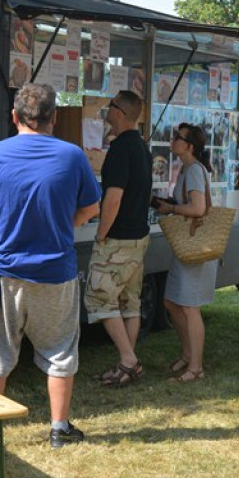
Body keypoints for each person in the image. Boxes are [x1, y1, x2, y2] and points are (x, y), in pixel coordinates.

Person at [0, 83, 101, 449]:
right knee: (61, 349)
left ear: (14, 116)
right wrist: (65, 226)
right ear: (54, 117)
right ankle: (59, 428)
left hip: (2, 271)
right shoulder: (72, 157)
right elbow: (91, 207)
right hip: (55, 272)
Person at [86, 90, 153, 388]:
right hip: (138, 237)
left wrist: (101, 233)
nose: (107, 109)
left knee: (98, 298)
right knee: (129, 302)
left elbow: (113, 199)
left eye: (111, 105)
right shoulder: (142, 148)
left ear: (120, 112)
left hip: (118, 240)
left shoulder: (120, 149)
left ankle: (128, 360)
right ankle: (128, 363)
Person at [151, 123, 217, 383]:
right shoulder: (188, 169)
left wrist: (171, 209)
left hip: (196, 247)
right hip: (187, 246)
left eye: (177, 137)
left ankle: (196, 367)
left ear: (189, 146)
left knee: (190, 307)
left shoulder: (194, 171)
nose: (172, 140)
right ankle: (189, 355)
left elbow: (199, 209)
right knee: (171, 302)